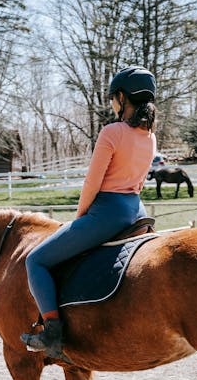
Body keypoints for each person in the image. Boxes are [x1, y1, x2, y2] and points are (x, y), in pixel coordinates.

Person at [21, 66, 158, 358]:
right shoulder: (150, 136)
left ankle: (53, 333)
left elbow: (92, 183)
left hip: (108, 212)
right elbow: (139, 182)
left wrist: (80, 217)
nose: (112, 102)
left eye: (114, 97)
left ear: (122, 98)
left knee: (36, 260)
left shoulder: (112, 132)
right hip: (137, 210)